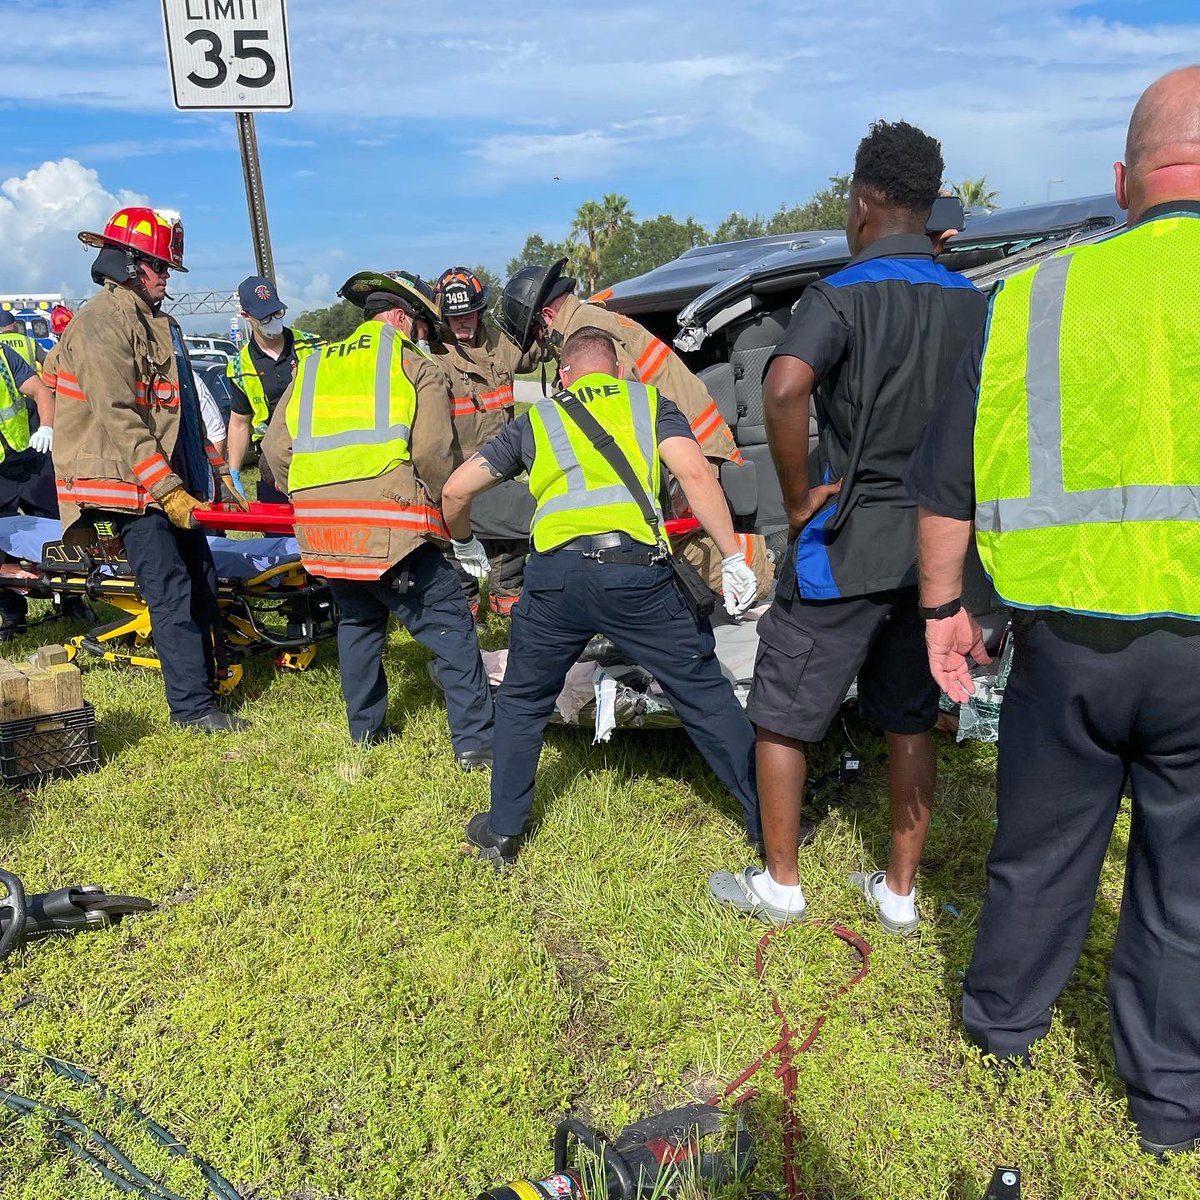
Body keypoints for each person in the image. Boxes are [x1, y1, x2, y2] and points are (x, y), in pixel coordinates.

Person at [907, 65, 1200, 1159]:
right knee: (1187, 888)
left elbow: (948, 482)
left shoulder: (1030, 297)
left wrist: (945, 609)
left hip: (1064, 645)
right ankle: (1169, 1109)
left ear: (1125, 179)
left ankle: (999, 1031)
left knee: (1037, 848)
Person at [708, 120, 988, 930]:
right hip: (938, 556)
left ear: (863, 202)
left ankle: (782, 885)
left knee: (784, 712)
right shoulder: (972, 301)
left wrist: (798, 498)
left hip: (848, 542)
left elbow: (787, 384)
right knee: (909, 717)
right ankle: (900, 897)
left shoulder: (837, 296)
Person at [442, 326, 760, 865]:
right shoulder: (646, 402)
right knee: (703, 693)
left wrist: (466, 542)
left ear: (563, 375)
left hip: (555, 579)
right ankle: (769, 820)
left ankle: (501, 833)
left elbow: (455, 489)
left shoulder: (538, 418)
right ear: (615, 370)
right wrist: (732, 555)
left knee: (522, 700)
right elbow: (696, 473)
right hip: (635, 572)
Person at [262, 269, 494, 765]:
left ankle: (365, 731)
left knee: (359, 622)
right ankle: (476, 742)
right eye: (425, 327)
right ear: (403, 319)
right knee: (450, 623)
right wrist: (444, 511)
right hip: (392, 529)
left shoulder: (315, 363)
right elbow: (433, 453)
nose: (426, 336)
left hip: (325, 532)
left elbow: (275, 447)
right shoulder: (413, 364)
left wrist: (310, 493)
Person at [54, 206, 249, 732]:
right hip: (134, 488)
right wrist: (167, 488)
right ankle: (192, 710)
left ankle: (208, 685)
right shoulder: (99, 324)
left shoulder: (160, 323)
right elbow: (120, 417)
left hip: (167, 484)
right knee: (172, 593)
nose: (167, 279)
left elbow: (181, 413)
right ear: (129, 264)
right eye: (161, 268)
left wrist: (217, 479)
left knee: (203, 581)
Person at [498, 259, 775, 602]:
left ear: (547, 319)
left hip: (688, 447)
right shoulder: (587, 323)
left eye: (536, 334)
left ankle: (762, 573)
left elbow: (619, 402)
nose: (540, 346)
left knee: (664, 536)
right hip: (684, 442)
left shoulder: (588, 330)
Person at [431, 266, 536, 618]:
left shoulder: (501, 344)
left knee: (510, 544)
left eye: (468, 314)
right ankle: (465, 619)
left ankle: (510, 612)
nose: (462, 322)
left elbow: (537, 351)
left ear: (480, 310)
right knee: (457, 553)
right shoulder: (433, 357)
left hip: (501, 470)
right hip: (456, 475)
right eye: (454, 316)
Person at [226, 277, 323, 502]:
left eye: (277, 313)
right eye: (265, 317)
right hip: (273, 464)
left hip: (316, 453)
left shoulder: (315, 347)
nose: (273, 322)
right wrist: (234, 472)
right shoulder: (240, 367)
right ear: (246, 316)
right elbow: (240, 423)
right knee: (279, 535)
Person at [0, 330, 59, 637]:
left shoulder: (3, 356)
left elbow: (42, 392)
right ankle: (12, 616)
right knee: (2, 547)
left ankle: (72, 601)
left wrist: (47, 428)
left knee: (60, 531)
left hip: (31, 456)